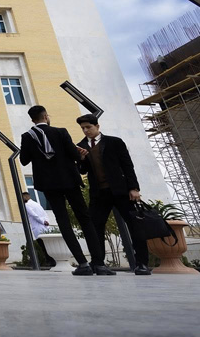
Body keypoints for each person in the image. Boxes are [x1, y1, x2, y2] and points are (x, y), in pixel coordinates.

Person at [19, 105, 101, 276]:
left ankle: (83, 263)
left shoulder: (27, 136)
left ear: (32, 120)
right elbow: (75, 155)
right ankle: (99, 263)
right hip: (69, 180)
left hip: (49, 185)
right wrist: (80, 155)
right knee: (85, 218)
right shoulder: (61, 132)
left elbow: (24, 160)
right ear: (46, 116)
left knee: (63, 222)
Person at [76, 113, 152, 275]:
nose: (86, 130)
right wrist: (81, 159)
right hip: (99, 193)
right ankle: (98, 263)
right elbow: (82, 171)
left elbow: (127, 165)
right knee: (95, 227)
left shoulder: (114, 142)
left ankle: (142, 263)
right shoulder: (81, 146)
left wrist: (134, 188)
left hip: (121, 191)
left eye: (88, 127)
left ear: (97, 126)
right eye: (83, 128)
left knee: (134, 226)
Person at [22, 191, 56, 267]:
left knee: (43, 246)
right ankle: (51, 260)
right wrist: (46, 221)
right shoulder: (36, 204)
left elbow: (34, 215)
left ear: (26, 197)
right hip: (45, 227)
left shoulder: (27, 205)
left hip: (38, 227)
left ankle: (50, 261)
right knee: (47, 245)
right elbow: (44, 213)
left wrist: (42, 221)